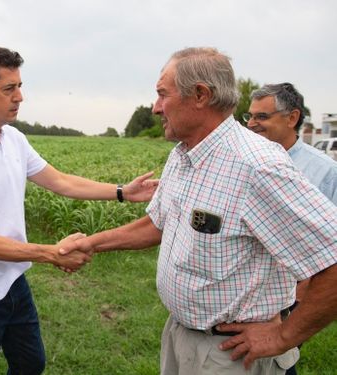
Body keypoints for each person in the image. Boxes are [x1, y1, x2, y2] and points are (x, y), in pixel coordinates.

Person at [63, 47, 337, 374]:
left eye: (163, 95)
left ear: (200, 95)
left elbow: (331, 260)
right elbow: (159, 223)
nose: (155, 108)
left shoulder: (257, 167)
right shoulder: (182, 154)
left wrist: (282, 337)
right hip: (182, 335)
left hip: (232, 355)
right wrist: (93, 243)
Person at [0, 45, 158, 375]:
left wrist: (122, 191)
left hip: (13, 279)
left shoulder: (13, 139)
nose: (19, 96)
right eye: (9, 88)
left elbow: (61, 181)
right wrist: (51, 253)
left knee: (30, 363)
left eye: (20, 86)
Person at [244, 82, 337, 375]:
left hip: (294, 297)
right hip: (250, 295)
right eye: (250, 116)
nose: (251, 124)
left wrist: (301, 300)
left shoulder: (324, 171)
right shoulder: (246, 161)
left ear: (292, 118)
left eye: (262, 117)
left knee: (279, 360)